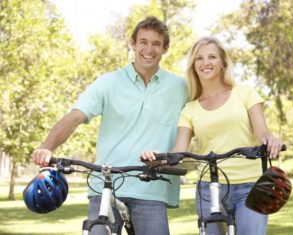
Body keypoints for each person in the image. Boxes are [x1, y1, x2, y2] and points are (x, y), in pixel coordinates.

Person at [32, 16, 188, 235]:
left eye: (156, 44)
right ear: (133, 43)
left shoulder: (180, 87)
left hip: (152, 188)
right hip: (106, 186)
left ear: (165, 49)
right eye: (143, 42)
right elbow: (74, 117)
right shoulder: (108, 82)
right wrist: (47, 146)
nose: (149, 49)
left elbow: (205, 113)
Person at [141, 36, 283, 235]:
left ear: (223, 63)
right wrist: (157, 160)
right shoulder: (189, 109)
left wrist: (271, 141)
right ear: (193, 65)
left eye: (212, 57)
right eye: (199, 58)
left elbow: (263, 133)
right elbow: (179, 152)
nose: (205, 63)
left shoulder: (245, 93)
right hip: (209, 188)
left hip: (250, 187)